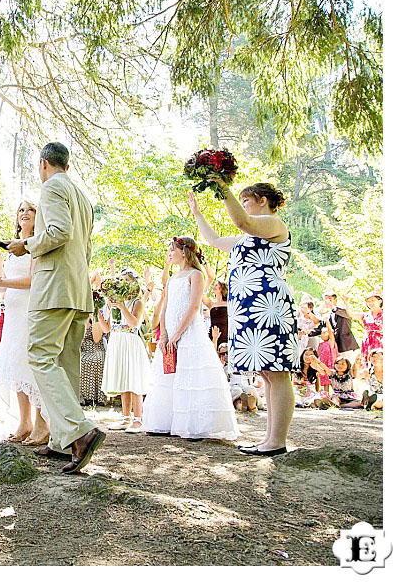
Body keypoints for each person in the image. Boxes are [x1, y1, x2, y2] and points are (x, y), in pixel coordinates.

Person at [4, 142, 105, 474]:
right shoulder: (82, 196)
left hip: (55, 287)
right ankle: (63, 442)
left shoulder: (52, 187)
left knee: (40, 355)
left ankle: (80, 431)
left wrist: (26, 246)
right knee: (65, 362)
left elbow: (59, 232)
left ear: (43, 163)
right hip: (77, 288)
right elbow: (84, 246)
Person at [189, 181, 298, 456]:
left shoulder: (274, 226)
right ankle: (270, 439)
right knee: (266, 373)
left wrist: (220, 185)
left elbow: (242, 221)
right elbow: (213, 241)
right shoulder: (247, 239)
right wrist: (197, 214)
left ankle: (277, 441)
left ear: (262, 201)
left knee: (277, 372)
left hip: (269, 304)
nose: (243, 205)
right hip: (248, 306)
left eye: (246, 200)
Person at [142, 237, 239, 441]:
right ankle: (166, 422)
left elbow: (194, 307)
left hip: (189, 334)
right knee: (169, 377)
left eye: (172, 250)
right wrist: (165, 334)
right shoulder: (172, 279)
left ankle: (194, 425)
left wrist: (178, 334)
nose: (169, 253)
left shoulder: (196, 275)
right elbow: (166, 307)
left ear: (184, 252)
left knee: (192, 375)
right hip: (170, 336)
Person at [0, 200, 49, 444]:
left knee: (29, 365)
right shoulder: (12, 248)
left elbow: (33, 280)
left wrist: (2, 282)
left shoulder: (36, 246)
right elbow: (7, 281)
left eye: (30, 210)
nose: (25, 214)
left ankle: (41, 425)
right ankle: (24, 423)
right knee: (14, 365)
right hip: (12, 312)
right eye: (21, 210)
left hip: (29, 311)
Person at [101, 268, 151, 433]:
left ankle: (138, 419)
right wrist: (98, 312)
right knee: (123, 378)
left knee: (133, 379)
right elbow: (106, 328)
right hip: (116, 341)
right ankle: (125, 418)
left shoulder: (138, 302)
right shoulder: (114, 303)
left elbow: (134, 323)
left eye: (127, 281)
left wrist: (122, 306)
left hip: (130, 342)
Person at [340, 291, 383, 366]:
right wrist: (346, 302)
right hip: (368, 341)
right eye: (368, 301)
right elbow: (351, 314)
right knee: (368, 364)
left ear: (380, 301)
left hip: (381, 341)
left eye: (373, 300)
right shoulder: (366, 315)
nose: (370, 303)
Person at [322, 291, 359, 364]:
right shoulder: (327, 315)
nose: (327, 301)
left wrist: (332, 307)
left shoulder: (342, 311)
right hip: (335, 346)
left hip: (347, 345)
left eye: (330, 299)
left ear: (335, 300)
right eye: (326, 299)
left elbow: (349, 315)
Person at [316, 326, 337, 395]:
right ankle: (326, 396)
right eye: (322, 333)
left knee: (332, 381)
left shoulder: (331, 342)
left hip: (330, 365)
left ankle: (337, 395)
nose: (323, 334)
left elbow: (331, 333)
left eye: (325, 332)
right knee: (325, 382)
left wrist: (326, 320)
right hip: (323, 365)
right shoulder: (320, 344)